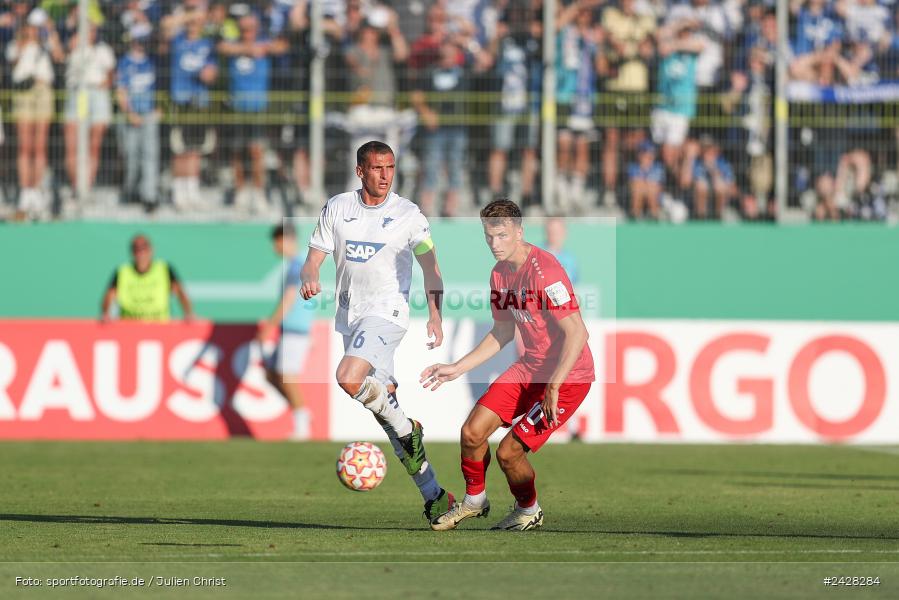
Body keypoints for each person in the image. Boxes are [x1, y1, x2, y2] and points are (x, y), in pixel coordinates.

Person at [299, 140, 454, 521]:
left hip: (388, 312)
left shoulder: (409, 214)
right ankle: (436, 497)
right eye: (377, 168)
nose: (385, 175)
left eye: (390, 168)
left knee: (348, 378)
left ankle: (410, 428)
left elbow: (431, 267)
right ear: (360, 171)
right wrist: (311, 274)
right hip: (351, 316)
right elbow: (313, 257)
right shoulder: (337, 207)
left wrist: (435, 313)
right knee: (387, 414)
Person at [422, 199, 594, 531]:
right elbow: (502, 331)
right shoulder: (499, 274)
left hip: (569, 375)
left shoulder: (547, 271)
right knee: (472, 433)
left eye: (501, 236)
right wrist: (457, 367)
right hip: (531, 366)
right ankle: (474, 501)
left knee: (508, 453)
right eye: (489, 236)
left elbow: (577, 331)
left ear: (519, 231)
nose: (494, 244)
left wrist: (555, 385)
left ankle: (529, 510)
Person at [218, 12, 287, 214]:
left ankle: (258, 192)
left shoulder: (264, 44)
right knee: (237, 151)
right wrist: (248, 49)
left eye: (251, 30)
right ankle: (240, 191)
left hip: (257, 107)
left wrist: (263, 47)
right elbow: (222, 47)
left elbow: (282, 46)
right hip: (236, 107)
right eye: (244, 30)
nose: (247, 33)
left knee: (257, 151)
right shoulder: (234, 46)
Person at [258, 224, 315, 441]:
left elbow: (290, 298)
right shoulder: (296, 264)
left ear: (287, 240)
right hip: (291, 330)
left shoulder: (298, 265)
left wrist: (269, 326)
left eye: (277, 241)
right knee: (271, 374)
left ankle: (302, 426)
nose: (275, 246)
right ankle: (301, 412)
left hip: (295, 331)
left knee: (287, 376)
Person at [6, 8, 63, 218]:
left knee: (40, 146)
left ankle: (37, 191)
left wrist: (50, 31)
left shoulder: (45, 43)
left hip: (43, 91)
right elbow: (12, 59)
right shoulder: (17, 43)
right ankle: (25, 191)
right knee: (24, 146)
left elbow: (59, 56)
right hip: (23, 93)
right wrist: (24, 39)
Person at [164, 4, 218, 210]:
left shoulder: (207, 44)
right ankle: (179, 191)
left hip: (200, 101)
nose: (194, 25)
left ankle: (192, 191)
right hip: (180, 100)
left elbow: (212, 71)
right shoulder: (178, 41)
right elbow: (165, 26)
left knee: (195, 148)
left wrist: (209, 74)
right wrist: (189, 15)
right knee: (180, 148)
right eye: (191, 22)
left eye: (197, 22)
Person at [63, 24, 115, 198]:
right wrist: (72, 46)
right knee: (73, 145)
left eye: (93, 29)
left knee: (93, 146)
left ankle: (87, 187)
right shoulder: (73, 45)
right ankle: (76, 186)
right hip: (78, 93)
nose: (90, 32)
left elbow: (110, 75)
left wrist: (102, 86)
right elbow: (60, 58)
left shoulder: (104, 50)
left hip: (97, 94)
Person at [116, 25, 160, 212]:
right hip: (130, 116)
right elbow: (121, 90)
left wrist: (159, 109)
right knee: (131, 156)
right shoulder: (125, 63)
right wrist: (130, 113)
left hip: (149, 115)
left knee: (150, 155)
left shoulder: (153, 61)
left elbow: (160, 86)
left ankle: (149, 196)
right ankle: (130, 190)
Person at [101, 234, 194, 322]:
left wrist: (188, 313)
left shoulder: (164, 269)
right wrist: (106, 313)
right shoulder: (122, 272)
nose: (141, 253)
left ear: (151, 250)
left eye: (144, 248)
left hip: (159, 326)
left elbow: (180, 293)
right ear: (132, 252)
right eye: (136, 249)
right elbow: (109, 296)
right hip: (129, 327)